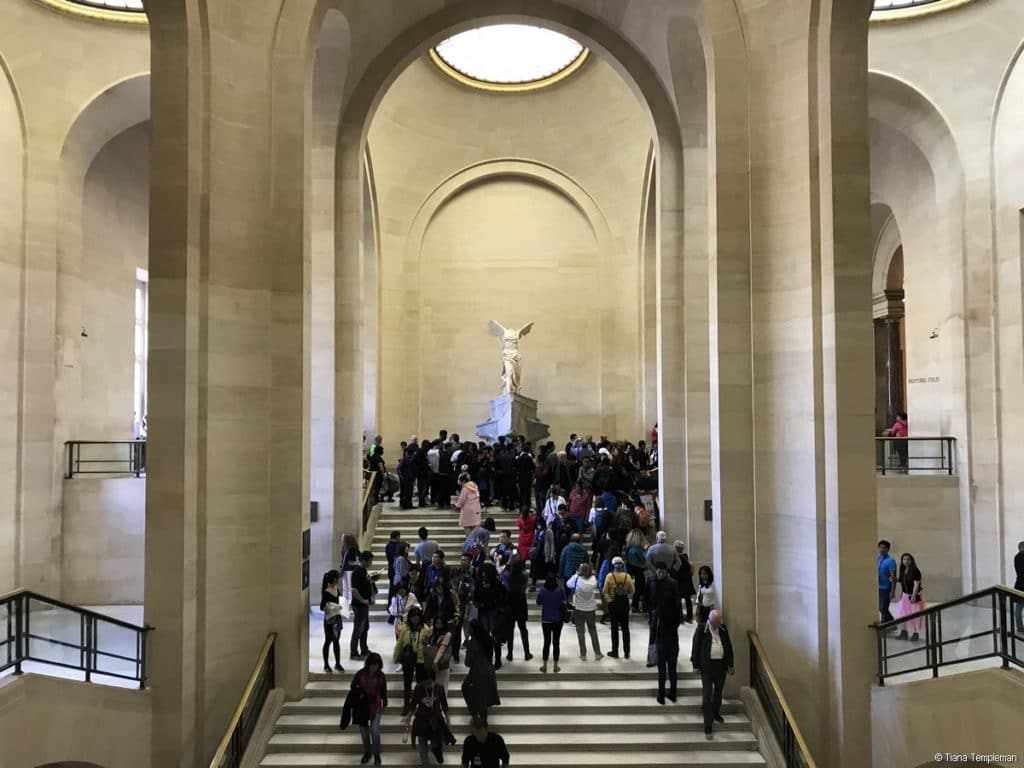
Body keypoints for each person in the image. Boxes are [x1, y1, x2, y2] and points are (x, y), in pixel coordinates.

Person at [690, 609, 735, 739]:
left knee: (718, 692)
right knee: (707, 694)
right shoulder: (702, 630)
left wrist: (730, 665)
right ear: (709, 620)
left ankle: (716, 713)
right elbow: (696, 647)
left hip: (720, 666)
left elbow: (728, 647)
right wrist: (695, 665)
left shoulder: (723, 629)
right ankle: (707, 724)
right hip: (707, 666)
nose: (716, 625)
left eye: (718, 622)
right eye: (715, 622)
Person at [647, 561, 681, 705]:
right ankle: (672, 693)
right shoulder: (674, 611)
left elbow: (654, 630)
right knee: (672, 669)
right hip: (672, 639)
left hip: (662, 640)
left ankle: (661, 695)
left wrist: (652, 643)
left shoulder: (658, 614)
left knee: (662, 670)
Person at [405, 667, 452, 768]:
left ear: (433, 679)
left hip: (437, 721)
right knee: (422, 747)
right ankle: (425, 764)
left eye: (429, 682)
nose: (426, 685)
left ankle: (436, 751)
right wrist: (408, 718)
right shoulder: (418, 689)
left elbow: (444, 705)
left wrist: (448, 719)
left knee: (440, 743)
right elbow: (412, 705)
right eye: (424, 683)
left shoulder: (439, 688)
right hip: (422, 722)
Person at [350, 652, 388, 765]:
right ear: (368, 664)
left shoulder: (381, 676)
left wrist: (385, 702)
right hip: (362, 707)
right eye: (372, 665)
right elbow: (353, 686)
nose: (374, 667)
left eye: (377, 665)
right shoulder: (360, 674)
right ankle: (367, 752)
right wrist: (360, 692)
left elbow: (383, 691)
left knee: (375, 731)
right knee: (364, 732)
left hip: (375, 706)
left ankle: (376, 754)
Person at [393, 605, 432, 715]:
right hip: (408, 658)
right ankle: (407, 705)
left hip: (421, 659)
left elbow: (429, 644)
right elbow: (400, 643)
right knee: (407, 683)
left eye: (416, 616)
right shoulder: (405, 628)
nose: (415, 619)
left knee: (420, 683)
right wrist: (396, 656)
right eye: (412, 617)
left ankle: (419, 704)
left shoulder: (425, 629)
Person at [462, 618, 501, 719]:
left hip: (477, 673)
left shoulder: (473, 643)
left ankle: (474, 715)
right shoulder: (487, 639)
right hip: (489, 671)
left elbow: (468, 663)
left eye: (469, 628)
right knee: (484, 700)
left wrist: (467, 645)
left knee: (466, 688)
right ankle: (483, 724)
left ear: (472, 629)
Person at [566, 562, 603, 661]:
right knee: (593, 631)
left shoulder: (577, 579)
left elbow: (568, 584)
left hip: (578, 608)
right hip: (590, 608)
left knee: (580, 632)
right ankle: (598, 653)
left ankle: (583, 654)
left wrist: (575, 574)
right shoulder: (593, 580)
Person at [602, 556, 634, 659]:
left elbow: (605, 590)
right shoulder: (627, 576)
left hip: (613, 604)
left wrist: (609, 600)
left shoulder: (609, 576)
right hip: (624, 604)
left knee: (614, 629)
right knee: (625, 629)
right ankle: (627, 652)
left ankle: (615, 651)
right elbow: (632, 591)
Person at [350, 551, 378, 661]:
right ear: (364, 560)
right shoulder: (357, 572)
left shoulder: (364, 571)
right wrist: (362, 600)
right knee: (358, 629)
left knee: (365, 628)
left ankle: (364, 649)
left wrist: (371, 580)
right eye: (370, 560)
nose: (371, 562)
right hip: (359, 605)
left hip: (364, 604)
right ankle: (353, 652)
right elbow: (354, 590)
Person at [503, 556, 532, 661]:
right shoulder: (524, 575)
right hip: (521, 601)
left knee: (510, 630)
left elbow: (504, 580)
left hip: (510, 602)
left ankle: (510, 654)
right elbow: (525, 587)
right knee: (523, 629)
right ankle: (527, 653)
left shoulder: (507, 575)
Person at [536, 574, 565, 673]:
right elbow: (563, 601)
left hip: (546, 620)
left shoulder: (543, 590)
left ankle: (544, 666)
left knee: (546, 642)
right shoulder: (560, 590)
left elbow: (538, 602)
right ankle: (555, 666)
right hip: (558, 620)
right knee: (556, 642)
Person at [894, 553, 926, 641]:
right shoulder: (903, 569)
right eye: (904, 559)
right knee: (902, 614)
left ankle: (915, 634)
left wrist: (914, 595)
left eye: (908, 559)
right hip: (905, 596)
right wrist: (894, 579)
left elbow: (916, 584)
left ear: (911, 560)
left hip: (913, 596)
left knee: (914, 615)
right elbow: (901, 580)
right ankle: (904, 632)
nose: (906, 561)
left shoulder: (915, 570)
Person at [320, 569, 344, 673]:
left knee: (336, 641)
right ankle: (326, 664)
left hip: (337, 619)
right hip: (329, 620)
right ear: (334, 579)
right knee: (328, 641)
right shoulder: (326, 591)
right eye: (337, 578)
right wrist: (333, 607)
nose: (338, 580)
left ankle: (338, 663)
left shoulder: (336, 589)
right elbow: (322, 607)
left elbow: (340, 600)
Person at [426, 615, 455, 693]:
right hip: (432, 663)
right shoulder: (433, 632)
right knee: (434, 689)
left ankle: (442, 705)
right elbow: (427, 641)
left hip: (442, 664)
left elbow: (442, 649)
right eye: (437, 623)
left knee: (442, 689)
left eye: (440, 623)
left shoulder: (447, 634)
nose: (438, 625)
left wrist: (435, 662)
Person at [626, 528, 648, 614]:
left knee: (637, 590)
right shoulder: (638, 549)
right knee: (640, 590)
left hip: (631, 570)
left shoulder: (629, 548)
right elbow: (644, 561)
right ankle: (639, 606)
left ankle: (635, 606)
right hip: (639, 571)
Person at [675, 540, 697, 623]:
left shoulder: (678, 556)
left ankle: (681, 617)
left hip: (680, 581)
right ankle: (689, 617)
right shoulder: (685, 556)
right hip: (686, 581)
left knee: (680, 600)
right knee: (687, 600)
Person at [877, 540, 897, 624]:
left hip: (886, 588)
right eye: (880, 547)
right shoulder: (878, 558)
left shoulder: (891, 561)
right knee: (880, 608)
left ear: (888, 549)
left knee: (883, 608)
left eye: (884, 548)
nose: (882, 549)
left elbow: (893, 577)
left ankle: (884, 625)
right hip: (878, 587)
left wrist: (893, 591)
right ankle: (892, 623)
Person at [1015, 541, 1024, 633]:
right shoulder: (1022, 557)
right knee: (1019, 607)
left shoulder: (1016, 557)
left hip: (1019, 585)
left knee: (1019, 607)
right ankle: (1020, 627)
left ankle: (1019, 627)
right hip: (1022, 586)